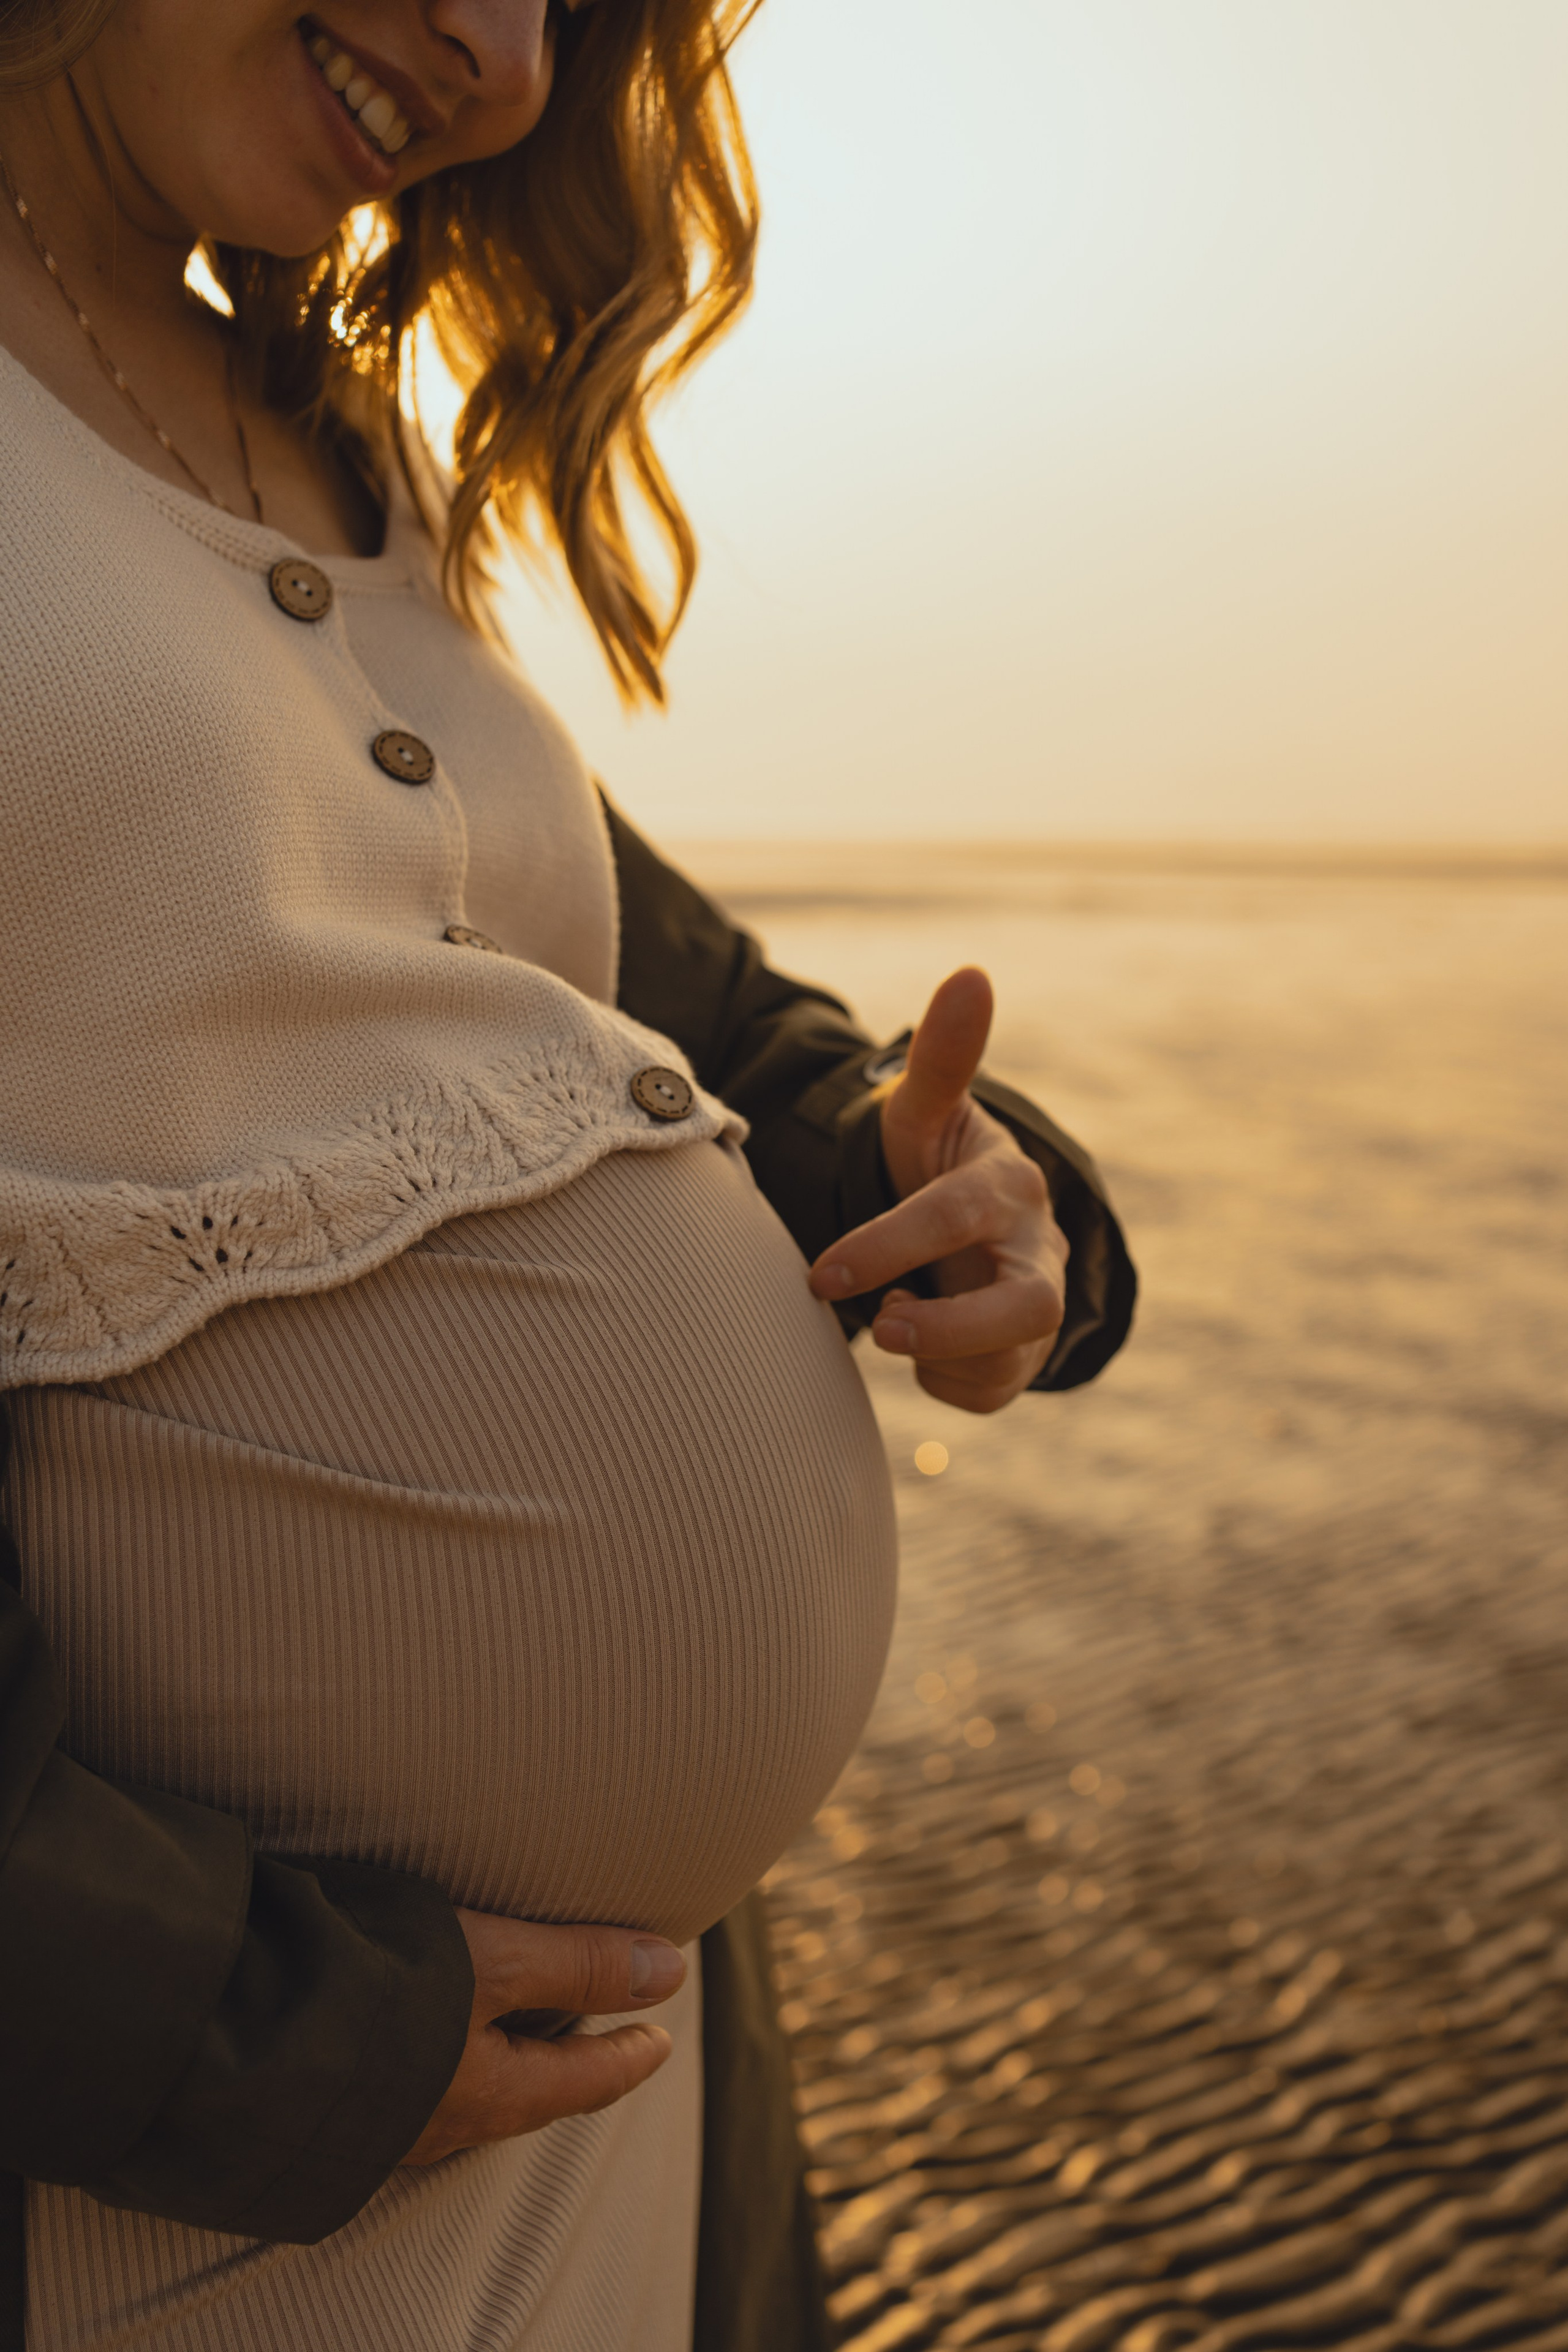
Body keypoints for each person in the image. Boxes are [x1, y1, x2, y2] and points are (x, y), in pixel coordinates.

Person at [0, 2, 1136, 2347]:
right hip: (177, 2171)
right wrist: (250, 2024)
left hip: (601, 2107)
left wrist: (974, 1204)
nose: (498, 47)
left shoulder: (327, 443)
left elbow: (670, 1005)